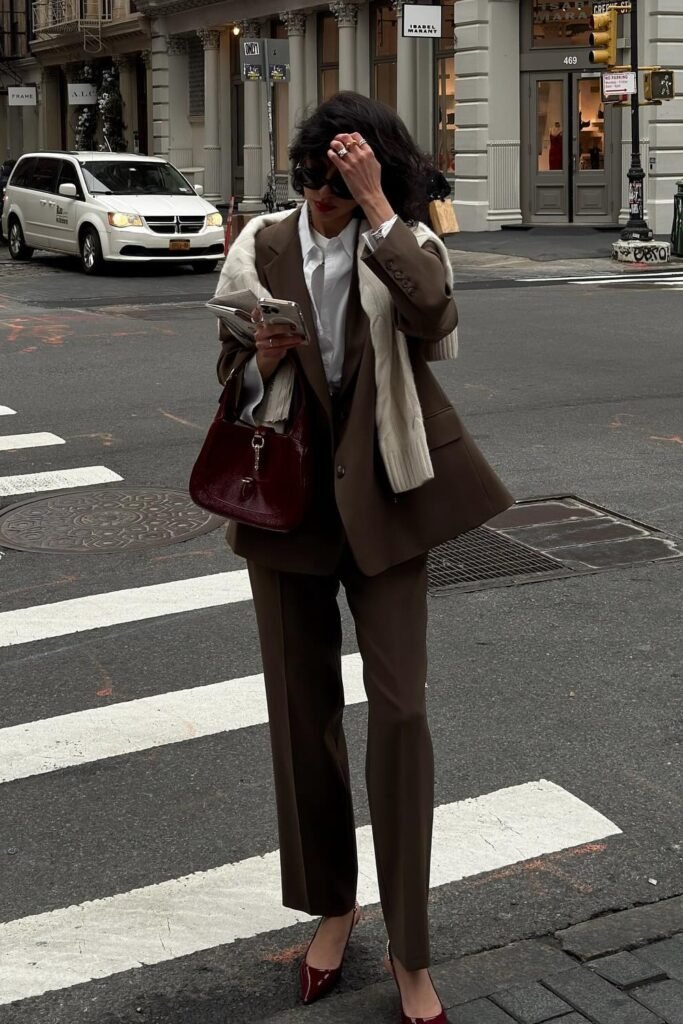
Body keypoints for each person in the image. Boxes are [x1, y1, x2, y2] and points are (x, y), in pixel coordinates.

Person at [214, 91, 512, 1023]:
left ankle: (411, 951)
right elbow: (226, 373)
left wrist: (383, 208)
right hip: (289, 502)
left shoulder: (404, 242)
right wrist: (261, 357)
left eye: (346, 182)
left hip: (386, 495)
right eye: (321, 181)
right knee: (302, 719)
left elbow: (436, 323)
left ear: (376, 172)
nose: (327, 199)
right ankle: (333, 909)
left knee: (402, 713)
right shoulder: (260, 242)